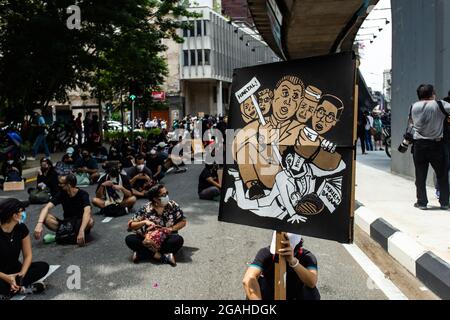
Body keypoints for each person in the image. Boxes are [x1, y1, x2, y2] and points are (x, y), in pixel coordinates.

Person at [242, 232, 320, 300]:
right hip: (271, 294)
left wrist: (293, 261)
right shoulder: (265, 253)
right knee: (253, 284)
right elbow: (247, 279)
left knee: (310, 292)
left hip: (295, 295)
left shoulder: (307, 257)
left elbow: (312, 282)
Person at [410, 84, 450, 210]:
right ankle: (444, 203)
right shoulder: (439, 104)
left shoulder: (413, 106)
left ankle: (421, 202)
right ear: (432, 93)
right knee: (442, 175)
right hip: (436, 145)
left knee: (420, 175)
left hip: (418, 145)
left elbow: (411, 123)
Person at [125, 185, 186, 266]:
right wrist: (144, 222)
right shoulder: (146, 208)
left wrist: (171, 229)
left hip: (166, 238)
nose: (167, 196)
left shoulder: (173, 205)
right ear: (155, 198)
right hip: (148, 240)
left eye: (167, 193)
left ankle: (142, 254)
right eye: (163, 195)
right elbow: (130, 224)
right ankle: (163, 256)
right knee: (130, 239)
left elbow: (183, 221)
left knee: (178, 240)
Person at [0, 199, 49, 298]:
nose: (24, 213)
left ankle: (13, 289)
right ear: (14, 216)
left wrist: (22, 274)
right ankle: (22, 289)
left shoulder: (21, 228)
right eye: (22, 211)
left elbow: (28, 255)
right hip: (1, 274)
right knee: (2, 286)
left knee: (43, 267)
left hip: (15, 270)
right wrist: (7, 278)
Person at [34, 174, 94, 246]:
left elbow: (87, 212)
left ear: (68, 185)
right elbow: (46, 208)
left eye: (61, 183)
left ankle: (62, 236)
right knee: (45, 216)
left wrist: (81, 230)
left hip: (79, 223)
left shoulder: (83, 194)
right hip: (67, 224)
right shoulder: (62, 194)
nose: (59, 185)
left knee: (90, 221)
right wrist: (39, 224)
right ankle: (66, 235)